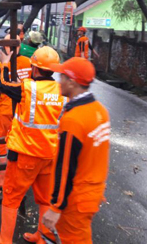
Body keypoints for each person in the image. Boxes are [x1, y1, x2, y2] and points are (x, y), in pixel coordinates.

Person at [0, 46, 66, 244]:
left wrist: (5, 63)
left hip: (25, 153)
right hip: (49, 154)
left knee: (11, 197)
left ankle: (5, 239)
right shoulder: (61, 90)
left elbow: (3, 85)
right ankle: (41, 237)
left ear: (35, 68)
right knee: (44, 199)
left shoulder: (28, 87)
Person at [42, 57, 110, 244]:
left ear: (71, 82)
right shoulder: (100, 111)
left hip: (75, 200)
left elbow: (65, 169)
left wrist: (56, 207)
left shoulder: (73, 120)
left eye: (62, 77)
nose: (58, 81)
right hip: (91, 193)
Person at [0, 41, 33, 189]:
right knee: (20, 144)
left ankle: (0, 180)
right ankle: (18, 179)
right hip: (23, 111)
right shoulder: (28, 63)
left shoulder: (2, 66)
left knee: (0, 144)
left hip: (5, 112)